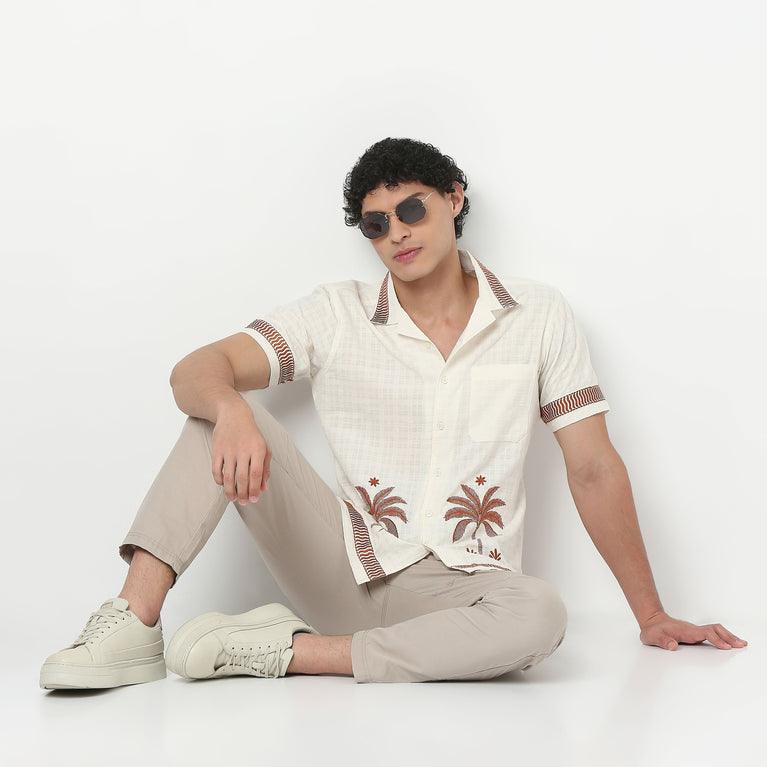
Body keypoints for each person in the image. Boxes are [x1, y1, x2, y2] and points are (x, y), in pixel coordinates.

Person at [40, 137, 746, 689]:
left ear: (454, 199)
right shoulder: (336, 313)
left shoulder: (538, 316)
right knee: (213, 416)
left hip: (466, 596)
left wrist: (651, 614)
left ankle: (288, 653)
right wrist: (230, 407)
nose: (398, 233)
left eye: (412, 209)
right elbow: (194, 369)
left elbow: (591, 467)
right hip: (345, 565)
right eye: (377, 224)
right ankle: (133, 624)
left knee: (542, 613)